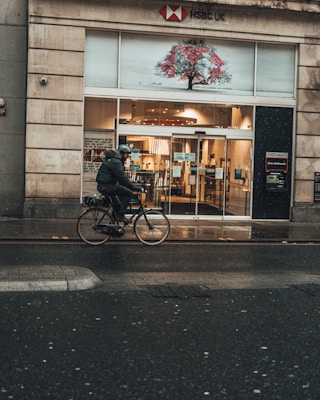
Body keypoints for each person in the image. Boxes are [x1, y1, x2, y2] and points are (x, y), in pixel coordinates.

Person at [96, 144, 144, 223]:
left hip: (105, 186)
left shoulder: (114, 161)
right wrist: (134, 187)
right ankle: (120, 216)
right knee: (129, 193)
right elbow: (122, 178)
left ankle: (113, 226)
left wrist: (127, 184)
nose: (127, 156)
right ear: (122, 153)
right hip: (107, 186)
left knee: (117, 204)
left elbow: (120, 178)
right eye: (126, 154)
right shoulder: (116, 162)